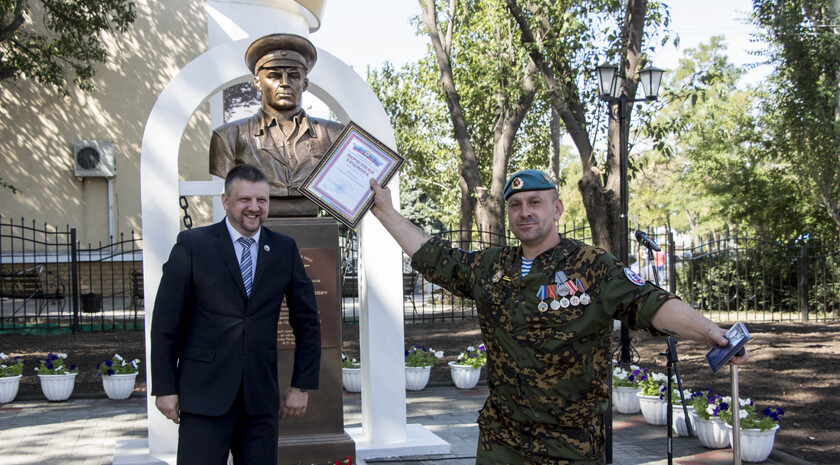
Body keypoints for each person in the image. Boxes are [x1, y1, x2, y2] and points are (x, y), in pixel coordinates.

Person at [368, 170, 747, 465]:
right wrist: (385, 211)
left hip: (570, 444)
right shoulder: (491, 267)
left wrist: (710, 333)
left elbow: (652, 302)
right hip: (503, 441)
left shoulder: (592, 266)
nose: (525, 212)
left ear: (557, 209)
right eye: (515, 205)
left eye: (535, 202)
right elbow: (433, 256)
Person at [151, 164, 321, 465]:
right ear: (225, 201)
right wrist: (165, 388)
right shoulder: (193, 245)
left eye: (261, 200)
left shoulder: (283, 249)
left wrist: (300, 386)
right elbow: (166, 323)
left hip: (260, 401)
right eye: (245, 199)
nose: (254, 207)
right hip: (203, 397)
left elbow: (307, 323)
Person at [209, 33, 344, 218]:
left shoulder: (334, 135)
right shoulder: (228, 137)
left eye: (293, 76)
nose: (284, 83)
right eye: (274, 76)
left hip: (311, 216)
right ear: (257, 82)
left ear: (305, 83)